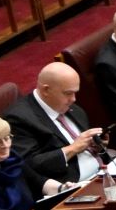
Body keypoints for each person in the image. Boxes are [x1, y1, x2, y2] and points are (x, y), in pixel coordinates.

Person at [6, 62, 105, 193]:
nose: (74, 99)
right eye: (68, 93)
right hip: (73, 186)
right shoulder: (19, 119)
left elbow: (85, 145)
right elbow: (29, 165)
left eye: (75, 93)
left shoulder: (71, 107)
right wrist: (73, 149)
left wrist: (97, 145)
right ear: (46, 90)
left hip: (103, 171)